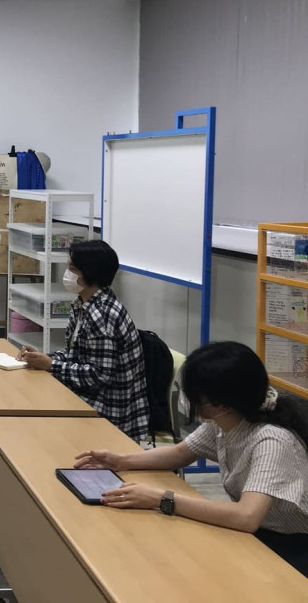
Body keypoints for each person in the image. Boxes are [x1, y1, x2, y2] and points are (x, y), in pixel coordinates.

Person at [74, 341, 308, 577]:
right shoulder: (225, 421)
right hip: (260, 534)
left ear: (221, 404)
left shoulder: (272, 441)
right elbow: (179, 454)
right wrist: (121, 461)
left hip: (293, 546)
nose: (188, 399)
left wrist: (162, 498)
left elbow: (246, 517)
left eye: (195, 395)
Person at [17, 239, 149, 440]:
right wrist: (44, 358)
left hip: (108, 411)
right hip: (90, 396)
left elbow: (100, 375)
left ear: (89, 273)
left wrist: (51, 365)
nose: (67, 274)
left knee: (36, 418)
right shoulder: (82, 304)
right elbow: (75, 353)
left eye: (72, 269)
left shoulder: (102, 315)